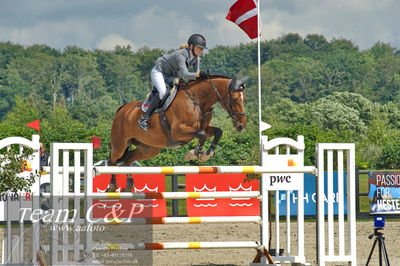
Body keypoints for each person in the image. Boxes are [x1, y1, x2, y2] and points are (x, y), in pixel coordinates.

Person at [138, 33, 209, 131]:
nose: (202, 50)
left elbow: (195, 75)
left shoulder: (196, 58)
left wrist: (205, 77)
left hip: (171, 75)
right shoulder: (181, 55)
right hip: (159, 72)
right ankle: (144, 118)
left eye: (202, 48)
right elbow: (185, 74)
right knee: (163, 92)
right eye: (200, 48)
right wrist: (199, 75)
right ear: (191, 46)